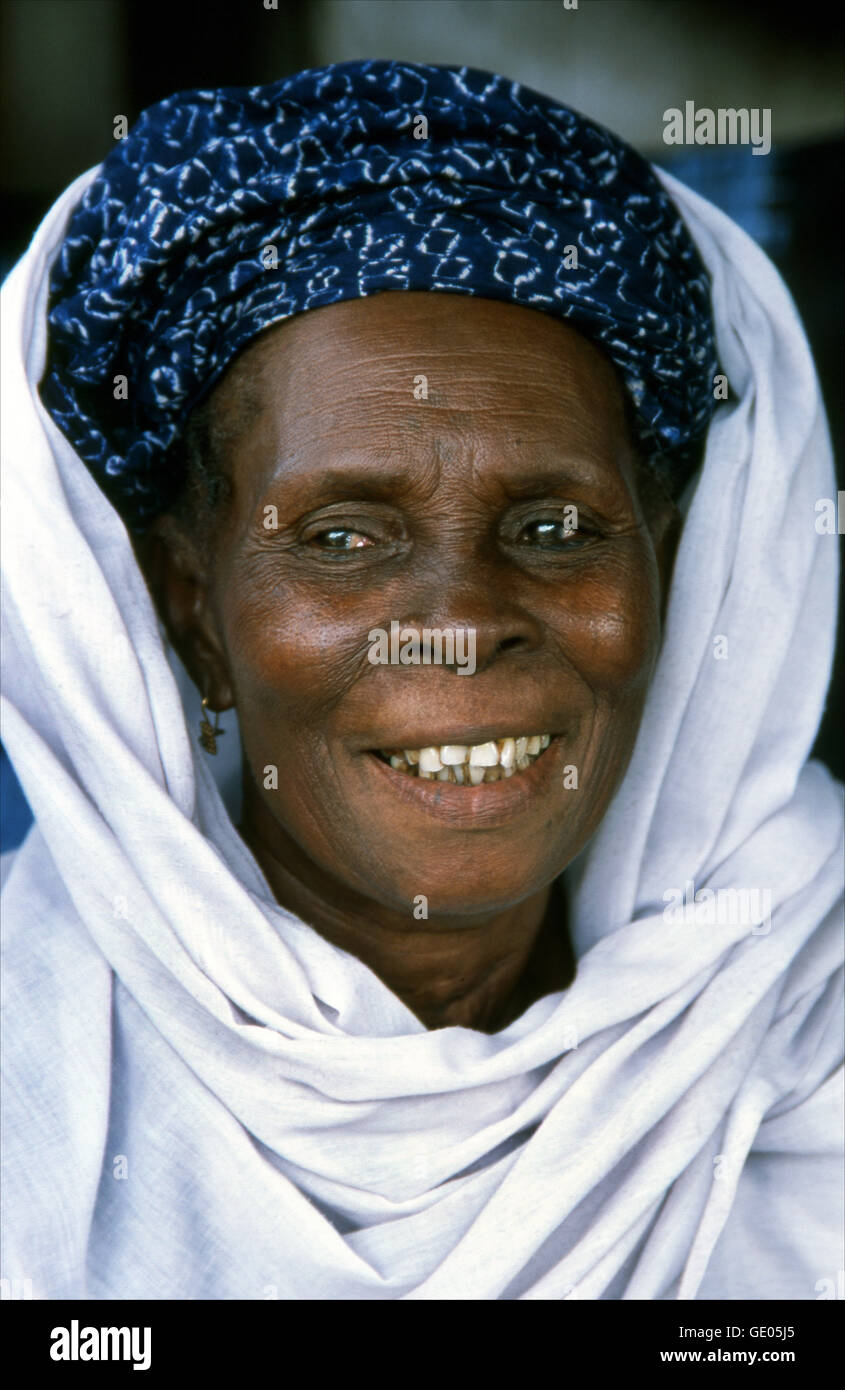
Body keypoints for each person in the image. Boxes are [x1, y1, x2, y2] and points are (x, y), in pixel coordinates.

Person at [1, 60, 841, 1301]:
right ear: (192, 613)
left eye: (554, 528)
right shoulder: (32, 1075)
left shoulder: (808, 1025)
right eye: (342, 536)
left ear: (670, 573)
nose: (458, 628)